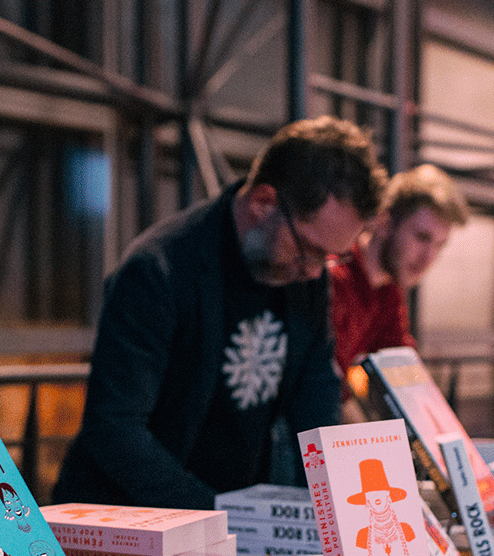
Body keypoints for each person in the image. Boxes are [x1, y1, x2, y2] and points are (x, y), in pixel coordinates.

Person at [53, 116, 386, 509]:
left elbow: (315, 396)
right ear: (264, 203)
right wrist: (219, 518)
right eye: (309, 250)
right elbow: (115, 430)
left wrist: (343, 506)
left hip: (231, 516)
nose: (315, 271)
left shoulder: (306, 276)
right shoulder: (159, 270)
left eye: (331, 257)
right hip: (130, 521)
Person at [328, 162, 468, 403]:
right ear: (384, 223)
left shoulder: (389, 292)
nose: (429, 258)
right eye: (422, 237)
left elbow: (405, 379)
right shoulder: (334, 279)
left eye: (439, 245)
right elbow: (327, 393)